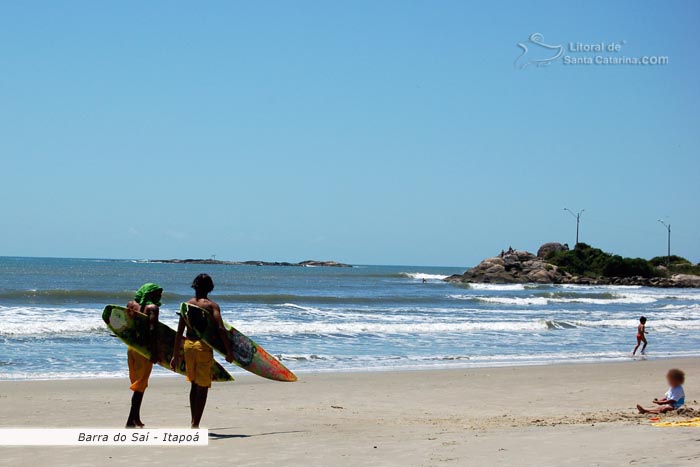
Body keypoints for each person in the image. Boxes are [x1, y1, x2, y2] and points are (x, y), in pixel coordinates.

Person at [171, 274, 234, 428]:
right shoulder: (211, 306)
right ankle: (195, 424)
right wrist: (228, 351)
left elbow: (180, 332)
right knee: (203, 386)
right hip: (202, 347)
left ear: (195, 286)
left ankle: (193, 421)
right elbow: (220, 328)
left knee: (193, 384)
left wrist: (175, 356)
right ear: (210, 288)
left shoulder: (187, 305)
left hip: (188, 346)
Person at [124, 283, 162, 428]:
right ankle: (130, 421)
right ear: (150, 293)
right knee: (140, 386)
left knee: (137, 383)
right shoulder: (152, 308)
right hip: (144, 350)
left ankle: (136, 418)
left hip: (131, 348)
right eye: (157, 294)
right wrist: (154, 352)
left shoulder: (131, 304)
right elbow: (152, 330)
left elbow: (125, 324)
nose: (159, 297)